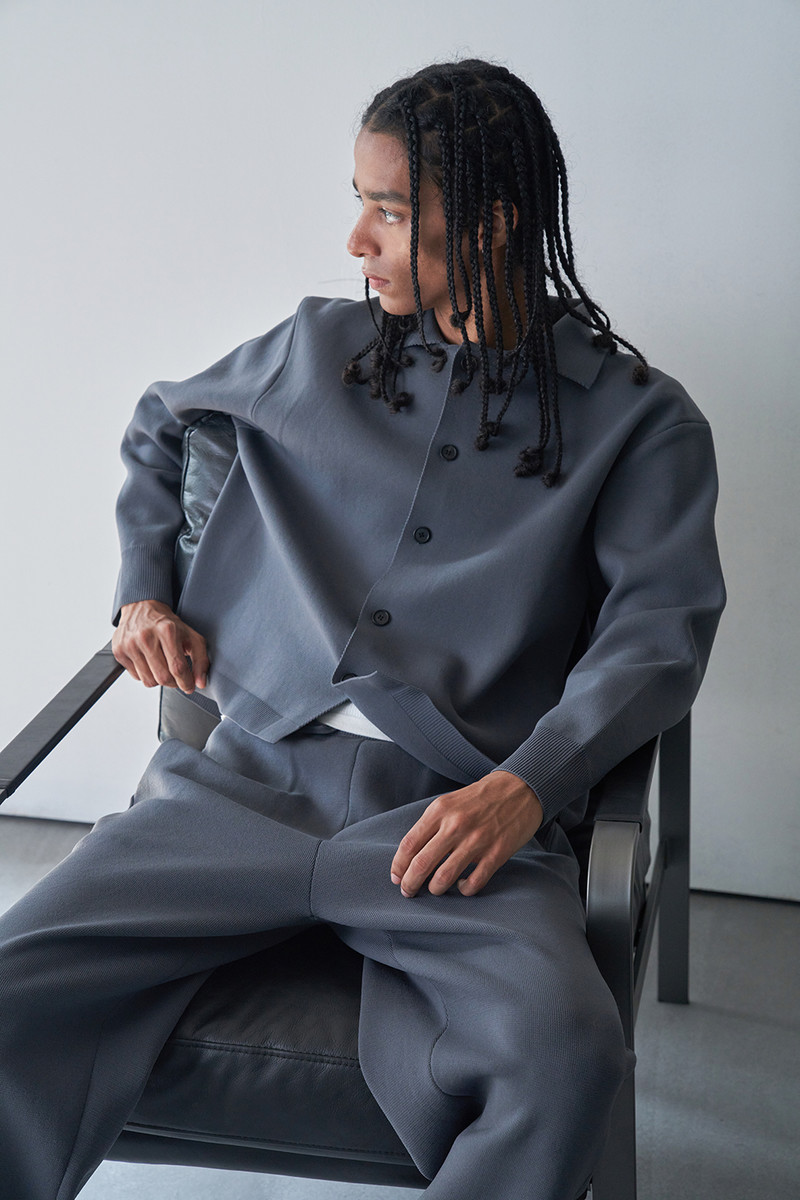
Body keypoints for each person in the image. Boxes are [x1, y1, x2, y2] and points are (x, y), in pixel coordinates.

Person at [0, 59, 725, 1199]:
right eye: (360, 201)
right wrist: (142, 590)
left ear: (490, 225)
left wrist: (526, 787)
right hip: (242, 784)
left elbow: (658, 633)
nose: (355, 241)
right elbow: (161, 422)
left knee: (566, 1054)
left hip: (453, 820)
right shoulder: (315, 351)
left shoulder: (637, 423)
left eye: (387, 210)